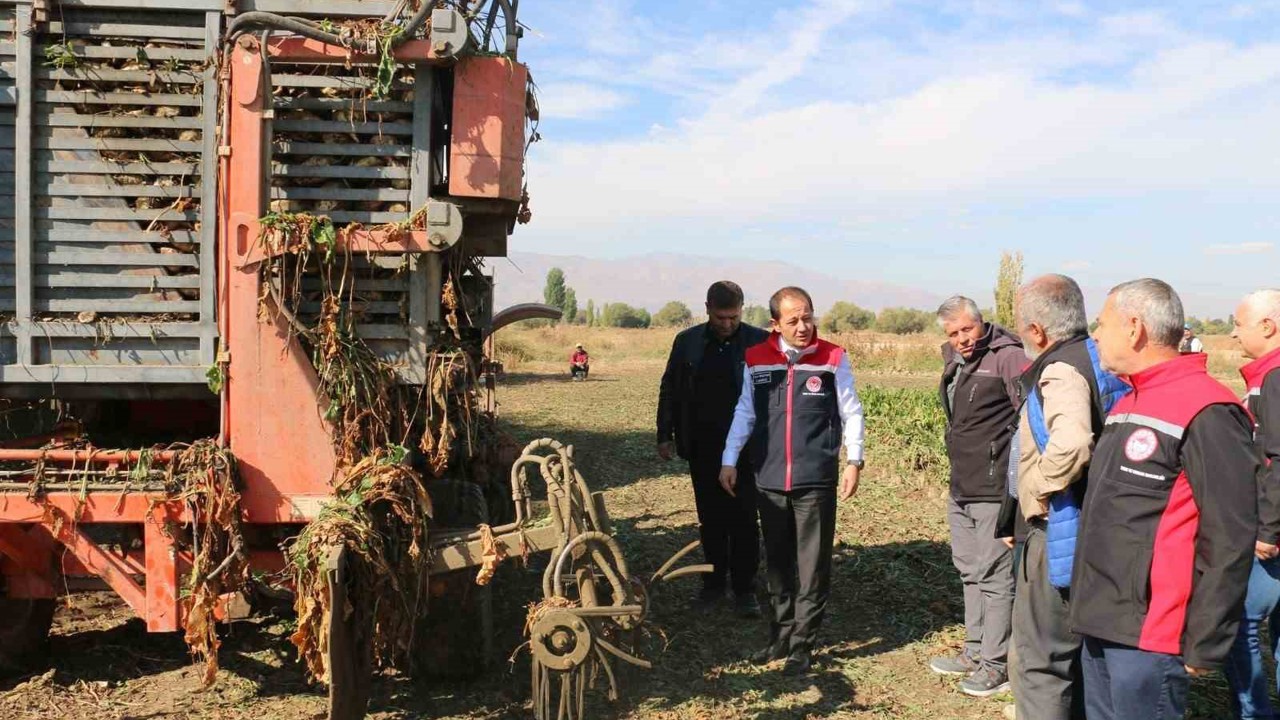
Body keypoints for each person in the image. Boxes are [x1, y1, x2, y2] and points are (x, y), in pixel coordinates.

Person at [1071, 278, 1258, 720]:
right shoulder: (1127, 402)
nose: (1095, 336)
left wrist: (1206, 637)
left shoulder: (1208, 410)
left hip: (1150, 632)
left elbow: (1230, 535)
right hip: (1099, 617)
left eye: (1102, 324)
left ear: (1134, 327)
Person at [718, 286, 865, 676]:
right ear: (775, 324)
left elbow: (851, 411)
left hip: (815, 480)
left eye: (808, 317)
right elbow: (745, 412)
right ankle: (780, 635)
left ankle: (803, 643)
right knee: (778, 563)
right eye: (793, 320)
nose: (803, 326)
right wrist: (729, 459)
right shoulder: (756, 358)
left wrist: (855, 460)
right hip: (768, 477)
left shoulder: (833, 357)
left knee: (812, 565)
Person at [1006, 275, 1127, 720]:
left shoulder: (1059, 369)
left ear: (1037, 331)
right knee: (1082, 659)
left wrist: (1032, 490)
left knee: (1041, 660)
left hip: (1060, 528)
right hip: (1103, 526)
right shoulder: (1104, 359)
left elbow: (1072, 443)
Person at [656, 281, 769, 616]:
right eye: (721, 317)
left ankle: (746, 590)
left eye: (733, 317)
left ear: (742, 310)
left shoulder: (761, 342)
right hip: (702, 446)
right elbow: (670, 389)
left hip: (748, 451)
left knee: (746, 519)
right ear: (707, 309)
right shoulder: (687, 342)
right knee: (711, 518)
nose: (727, 324)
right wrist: (665, 434)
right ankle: (713, 584)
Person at [929, 296, 1023, 698]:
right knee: (968, 568)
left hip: (992, 485)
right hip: (961, 483)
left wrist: (1016, 483)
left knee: (995, 575)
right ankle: (973, 650)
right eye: (953, 333)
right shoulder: (953, 358)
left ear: (981, 323)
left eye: (967, 329)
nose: (962, 339)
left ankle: (996, 664)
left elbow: (1030, 416)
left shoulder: (1008, 357)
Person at [1223, 289, 1280, 720]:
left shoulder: (1274, 378)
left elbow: (1275, 457)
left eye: (1239, 323)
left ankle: (1253, 712)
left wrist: (1267, 529)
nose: (1233, 332)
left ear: (1268, 325)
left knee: (1239, 622)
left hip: (1271, 533)